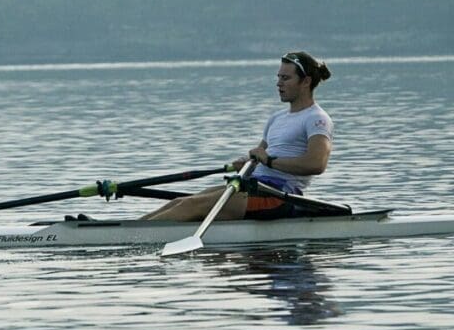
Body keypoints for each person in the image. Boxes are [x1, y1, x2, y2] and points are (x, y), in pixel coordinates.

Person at [141, 51, 333, 221]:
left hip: (278, 194)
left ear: (306, 81)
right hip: (251, 185)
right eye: (279, 77)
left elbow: (316, 164)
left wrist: (269, 162)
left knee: (191, 207)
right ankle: (124, 232)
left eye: (286, 78)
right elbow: (259, 156)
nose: (278, 83)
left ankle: (131, 238)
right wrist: (249, 164)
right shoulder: (277, 118)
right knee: (181, 201)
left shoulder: (317, 119)